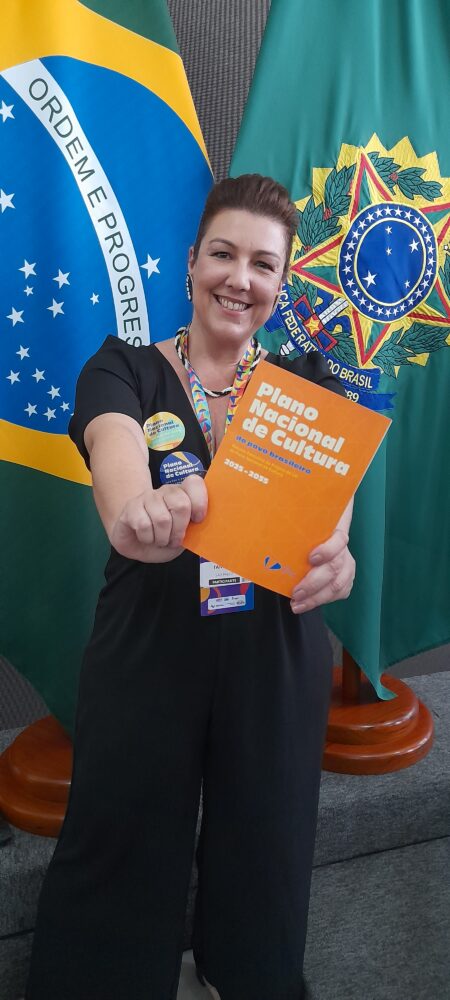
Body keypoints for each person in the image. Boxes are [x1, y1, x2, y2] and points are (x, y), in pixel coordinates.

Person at [26, 174, 355, 1000]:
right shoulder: (124, 368)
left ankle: (247, 976)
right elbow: (116, 459)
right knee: (121, 835)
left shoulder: (309, 388)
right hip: (149, 646)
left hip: (275, 650)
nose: (239, 278)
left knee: (269, 846)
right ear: (191, 263)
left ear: (281, 281)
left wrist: (339, 560)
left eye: (263, 264)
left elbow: (331, 526)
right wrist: (137, 511)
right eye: (223, 254)